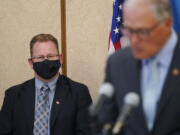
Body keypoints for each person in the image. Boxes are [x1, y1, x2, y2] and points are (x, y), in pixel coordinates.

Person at [99, 0, 180, 135]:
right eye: (129, 31)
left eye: (142, 31)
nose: (134, 40)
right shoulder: (118, 63)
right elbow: (107, 123)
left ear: (167, 24)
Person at [0, 34, 92, 135]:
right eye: (40, 57)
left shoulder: (78, 93)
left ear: (60, 58)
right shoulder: (13, 95)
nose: (46, 60)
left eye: (50, 56)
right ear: (31, 63)